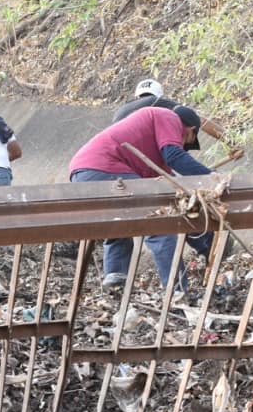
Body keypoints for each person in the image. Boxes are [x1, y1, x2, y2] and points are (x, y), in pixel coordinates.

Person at [70, 104, 220, 292]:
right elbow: (175, 156)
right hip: (106, 168)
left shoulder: (150, 151)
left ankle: (116, 275)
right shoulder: (167, 117)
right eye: (187, 141)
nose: (183, 146)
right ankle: (177, 291)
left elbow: (177, 194)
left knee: (122, 217)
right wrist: (211, 177)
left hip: (82, 173)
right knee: (159, 224)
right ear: (190, 130)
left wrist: (205, 238)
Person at [113, 78, 242, 161]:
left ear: (137, 96)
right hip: (144, 158)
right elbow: (200, 121)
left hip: (119, 159)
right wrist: (233, 143)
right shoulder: (160, 103)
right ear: (160, 95)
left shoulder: (120, 111)